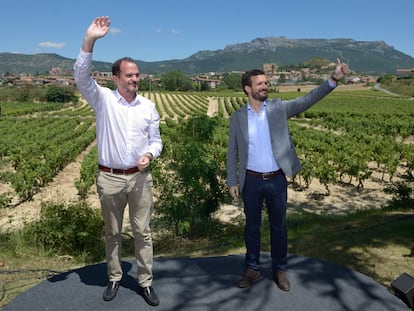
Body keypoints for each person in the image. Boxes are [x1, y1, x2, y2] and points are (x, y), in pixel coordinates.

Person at [227, 60, 348, 291]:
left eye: (266, 83)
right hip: (250, 180)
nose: (265, 86)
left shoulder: (278, 108)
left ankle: (279, 269)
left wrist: (332, 80)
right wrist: (232, 180)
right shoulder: (238, 117)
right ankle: (252, 268)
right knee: (251, 228)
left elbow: (307, 99)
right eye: (260, 83)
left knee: (279, 227)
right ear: (247, 88)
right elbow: (232, 151)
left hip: (276, 179)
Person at [73, 16, 163, 306]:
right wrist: (90, 40)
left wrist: (150, 154)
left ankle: (145, 282)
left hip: (139, 179)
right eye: (129, 75)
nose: (135, 79)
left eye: (137, 75)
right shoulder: (103, 100)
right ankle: (114, 277)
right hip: (109, 177)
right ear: (116, 78)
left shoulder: (148, 107)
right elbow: (81, 76)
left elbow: (156, 140)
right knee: (112, 233)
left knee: (143, 233)